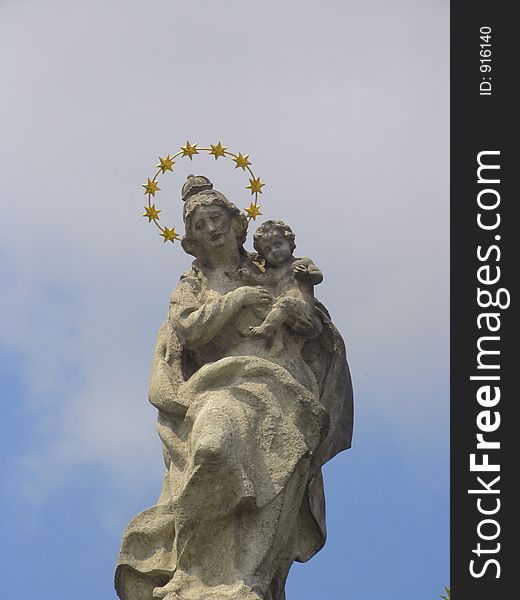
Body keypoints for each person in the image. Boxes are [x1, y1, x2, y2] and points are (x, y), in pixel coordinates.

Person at [115, 175, 353, 600]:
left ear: (238, 223)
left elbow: (313, 323)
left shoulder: (270, 269)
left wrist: (300, 311)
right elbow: (188, 329)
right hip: (221, 385)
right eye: (200, 225)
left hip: (284, 386)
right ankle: (194, 568)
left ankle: (247, 578)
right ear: (190, 243)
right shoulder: (192, 285)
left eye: (217, 218)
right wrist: (239, 299)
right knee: (211, 449)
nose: (211, 228)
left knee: (278, 478)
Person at [242, 220, 323, 346]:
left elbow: (318, 276)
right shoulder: (273, 272)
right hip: (284, 310)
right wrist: (249, 276)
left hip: (303, 310)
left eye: (278, 244)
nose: (274, 251)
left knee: (286, 302)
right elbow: (261, 280)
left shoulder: (301, 263)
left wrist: (306, 275)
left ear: (289, 242)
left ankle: (266, 330)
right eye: (268, 250)